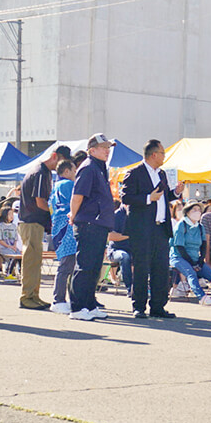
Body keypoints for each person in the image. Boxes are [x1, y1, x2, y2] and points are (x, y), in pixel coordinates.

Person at [121, 139, 184, 319]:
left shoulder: (161, 174)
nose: (165, 156)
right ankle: (139, 306)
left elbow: (163, 197)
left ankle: (158, 306)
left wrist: (176, 193)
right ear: (154, 154)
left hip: (160, 229)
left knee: (161, 268)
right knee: (141, 268)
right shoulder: (134, 173)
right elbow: (126, 197)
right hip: (142, 229)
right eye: (163, 153)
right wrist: (148, 198)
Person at [68, 134, 116, 321]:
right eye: (103, 147)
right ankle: (77, 307)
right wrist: (74, 216)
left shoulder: (100, 168)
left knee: (94, 267)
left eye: (108, 147)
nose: (107, 150)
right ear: (92, 150)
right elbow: (77, 195)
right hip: (89, 223)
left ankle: (89, 304)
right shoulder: (88, 168)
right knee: (85, 266)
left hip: (98, 223)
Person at [17, 149, 58, 310]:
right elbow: (40, 201)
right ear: (54, 156)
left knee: (35, 262)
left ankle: (34, 295)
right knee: (30, 261)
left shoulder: (43, 171)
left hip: (34, 223)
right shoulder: (41, 172)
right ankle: (27, 296)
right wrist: (52, 217)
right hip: (31, 221)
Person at [48, 159, 77, 314]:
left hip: (58, 226)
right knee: (68, 265)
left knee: (66, 264)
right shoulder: (68, 185)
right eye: (74, 170)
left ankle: (62, 299)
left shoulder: (55, 187)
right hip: (68, 226)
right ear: (66, 171)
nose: (75, 173)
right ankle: (58, 299)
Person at [107, 202, 133, 297]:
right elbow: (110, 236)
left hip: (133, 249)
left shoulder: (136, 215)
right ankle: (130, 288)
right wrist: (129, 236)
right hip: (115, 250)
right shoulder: (116, 215)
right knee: (124, 256)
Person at [0, 207, 21, 279]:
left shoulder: (14, 226)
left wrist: (14, 246)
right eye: (9, 214)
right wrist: (9, 246)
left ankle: (21, 273)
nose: (12, 216)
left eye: (12, 214)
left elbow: (15, 238)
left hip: (12, 247)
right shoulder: (0, 226)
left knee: (20, 257)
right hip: (3, 247)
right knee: (12, 257)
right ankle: (8, 274)